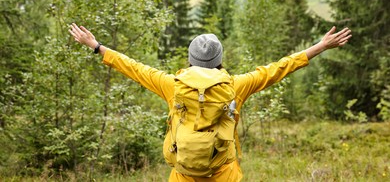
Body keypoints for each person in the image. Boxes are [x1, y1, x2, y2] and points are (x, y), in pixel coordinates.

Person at [69, 23, 352, 181]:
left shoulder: (171, 86)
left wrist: (96, 46)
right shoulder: (236, 86)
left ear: (191, 59)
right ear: (219, 61)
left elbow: (133, 67)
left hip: (182, 175)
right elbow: (280, 68)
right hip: (224, 173)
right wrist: (321, 46)